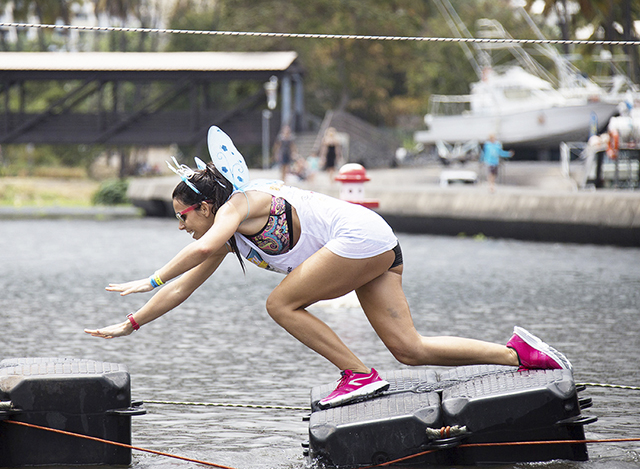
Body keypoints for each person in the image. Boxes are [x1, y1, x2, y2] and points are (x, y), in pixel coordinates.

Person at [85, 126, 572, 409]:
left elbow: (195, 251)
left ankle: (358, 375)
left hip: (360, 237)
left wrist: (148, 277)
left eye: (181, 216)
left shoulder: (239, 204)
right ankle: (520, 355)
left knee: (280, 303)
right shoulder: (226, 234)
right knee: (409, 349)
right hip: (373, 244)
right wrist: (131, 323)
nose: (179, 227)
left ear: (205, 206)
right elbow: (184, 287)